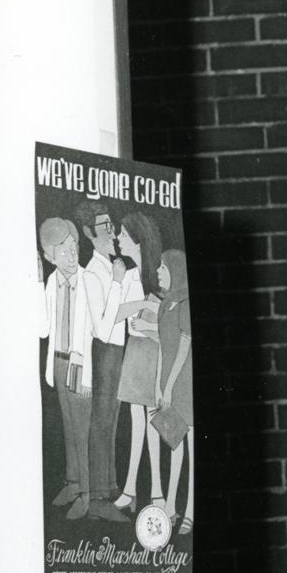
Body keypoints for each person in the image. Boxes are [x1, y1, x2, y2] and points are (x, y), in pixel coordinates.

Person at [73, 199, 129, 522]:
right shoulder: (94, 273)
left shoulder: (111, 266)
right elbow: (104, 328)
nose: (111, 232)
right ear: (89, 233)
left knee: (113, 419)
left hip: (118, 351)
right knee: (102, 421)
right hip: (104, 352)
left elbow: (118, 316)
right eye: (104, 227)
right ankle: (97, 497)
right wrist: (120, 283)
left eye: (111, 225)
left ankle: (110, 486)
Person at [37, 217, 95, 518]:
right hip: (58, 363)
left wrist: (85, 376)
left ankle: (86, 493)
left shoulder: (88, 280)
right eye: (64, 252)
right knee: (68, 427)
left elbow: (91, 331)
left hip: (78, 363)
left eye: (74, 249)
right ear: (50, 258)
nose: (72, 257)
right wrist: (36, 283)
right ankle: (73, 483)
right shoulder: (50, 282)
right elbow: (42, 329)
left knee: (82, 430)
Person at [111, 211, 164, 514]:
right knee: (136, 422)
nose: (118, 238)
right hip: (135, 352)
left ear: (137, 239)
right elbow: (121, 316)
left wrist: (147, 323)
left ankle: (156, 490)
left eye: (122, 234)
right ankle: (130, 490)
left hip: (155, 352)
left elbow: (168, 324)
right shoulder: (130, 276)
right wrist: (144, 305)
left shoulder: (160, 272)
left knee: (154, 421)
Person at [154, 249, 194, 535]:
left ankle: (190, 510)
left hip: (183, 383)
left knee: (190, 447)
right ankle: (170, 506)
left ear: (176, 271)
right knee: (174, 445)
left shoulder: (186, 303)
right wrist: (158, 382)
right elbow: (161, 348)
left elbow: (183, 347)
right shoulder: (164, 304)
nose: (158, 271)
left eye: (163, 267)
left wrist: (168, 385)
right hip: (166, 382)